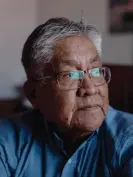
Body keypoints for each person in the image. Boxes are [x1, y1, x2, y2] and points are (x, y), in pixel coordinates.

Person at [0, 17, 133, 177]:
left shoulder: (127, 139)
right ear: (33, 94)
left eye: (96, 71)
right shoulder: (8, 138)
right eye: (69, 74)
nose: (90, 89)